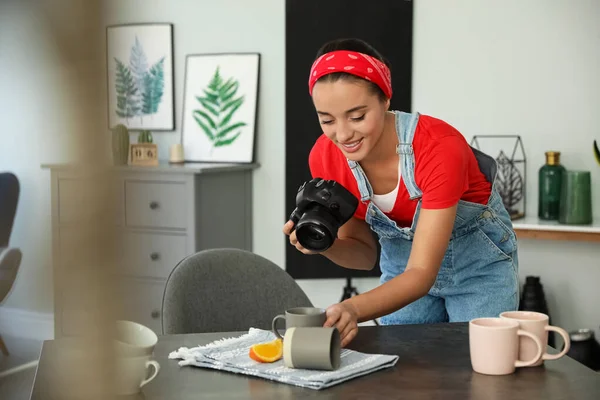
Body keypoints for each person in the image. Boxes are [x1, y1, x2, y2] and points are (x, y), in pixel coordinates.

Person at [283, 38, 519, 347]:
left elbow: (422, 272)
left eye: (357, 117)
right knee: (406, 374)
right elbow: (365, 254)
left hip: (477, 269)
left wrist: (354, 308)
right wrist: (323, 245)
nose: (342, 134)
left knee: (481, 371)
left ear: (384, 99)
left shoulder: (439, 147)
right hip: (400, 275)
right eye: (326, 119)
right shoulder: (326, 157)